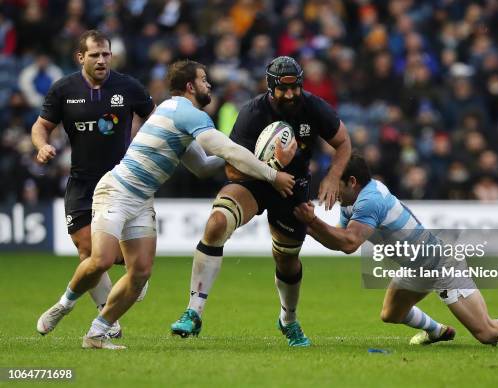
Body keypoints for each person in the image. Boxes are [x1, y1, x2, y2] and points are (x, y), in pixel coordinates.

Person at [36, 59, 297, 349]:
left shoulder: (177, 117)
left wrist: (254, 156)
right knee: (101, 259)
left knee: (140, 274)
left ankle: (97, 332)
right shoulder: (184, 111)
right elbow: (223, 149)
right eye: (203, 79)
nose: (208, 84)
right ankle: (64, 304)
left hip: (141, 200)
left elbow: (203, 166)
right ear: (190, 86)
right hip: (117, 190)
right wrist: (272, 173)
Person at [293, 154, 498, 347]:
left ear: (352, 182)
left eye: (335, 182)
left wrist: (311, 221)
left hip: (441, 263)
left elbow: (348, 244)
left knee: (487, 333)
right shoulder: (352, 201)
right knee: (391, 313)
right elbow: (340, 241)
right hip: (416, 266)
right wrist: (309, 225)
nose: (330, 187)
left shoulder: (369, 201)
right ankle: (437, 332)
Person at [170, 56, 351, 347]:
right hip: (253, 180)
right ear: (270, 87)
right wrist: (272, 167)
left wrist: (332, 176)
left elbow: (343, 142)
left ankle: (288, 320)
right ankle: (193, 311)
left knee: (287, 259)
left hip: (294, 188)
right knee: (217, 223)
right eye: (283, 89)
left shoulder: (313, 106)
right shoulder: (252, 113)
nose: (291, 95)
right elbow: (230, 167)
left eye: (295, 88)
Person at [31, 30, 155, 338]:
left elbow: (155, 120)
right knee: (89, 252)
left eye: (106, 54)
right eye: (95, 55)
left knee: (116, 259)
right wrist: (41, 145)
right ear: (80, 57)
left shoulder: (128, 87)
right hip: (82, 183)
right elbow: (41, 126)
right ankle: (106, 320)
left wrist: (148, 151)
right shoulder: (63, 89)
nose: (102, 60)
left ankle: (132, 280)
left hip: (121, 183)